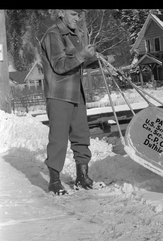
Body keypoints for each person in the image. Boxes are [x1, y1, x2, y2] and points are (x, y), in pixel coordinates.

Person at [40, 9, 111, 195]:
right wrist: (82, 56)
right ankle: (54, 181)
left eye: (79, 15)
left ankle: (82, 177)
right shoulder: (53, 35)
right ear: (62, 13)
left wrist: (97, 61)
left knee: (81, 135)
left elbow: (79, 62)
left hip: (76, 93)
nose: (77, 18)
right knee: (58, 139)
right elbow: (60, 65)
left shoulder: (75, 34)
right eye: (73, 14)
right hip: (59, 94)